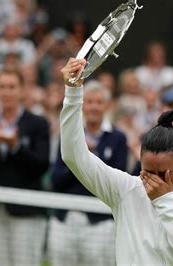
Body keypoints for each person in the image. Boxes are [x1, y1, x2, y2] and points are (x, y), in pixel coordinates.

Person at [60, 58, 173, 265]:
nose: (156, 181)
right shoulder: (126, 190)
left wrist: (165, 201)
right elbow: (73, 155)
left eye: (166, 174)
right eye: (149, 172)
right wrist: (72, 92)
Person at [0, 67, 50, 266]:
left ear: (22, 90)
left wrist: (15, 147)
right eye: (2, 87)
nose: (6, 92)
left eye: (12, 87)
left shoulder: (38, 124)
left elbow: (41, 165)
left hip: (26, 211)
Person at [49, 80, 127, 266]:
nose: (93, 107)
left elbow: (115, 183)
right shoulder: (68, 134)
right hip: (65, 218)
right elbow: (56, 180)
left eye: (98, 102)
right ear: (83, 104)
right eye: (89, 101)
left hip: (100, 222)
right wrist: (78, 159)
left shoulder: (118, 138)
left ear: (106, 106)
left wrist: (91, 158)